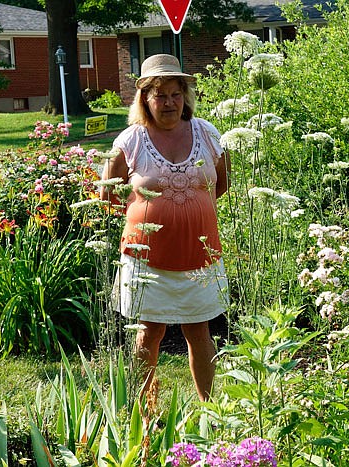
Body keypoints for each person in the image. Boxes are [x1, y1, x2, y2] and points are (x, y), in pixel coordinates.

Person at [100, 54, 230, 401]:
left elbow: (221, 183)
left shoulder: (208, 133)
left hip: (199, 256)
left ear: (185, 96)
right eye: (160, 95)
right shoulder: (131, 140)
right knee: (148, 333)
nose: (169, 102)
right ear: (145, 99)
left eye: (175, 94)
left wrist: (189, 211)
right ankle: (145, 414)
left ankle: (209, 409)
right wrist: (147, 213)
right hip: (147, 259)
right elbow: (107, 193)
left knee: (199, 332)